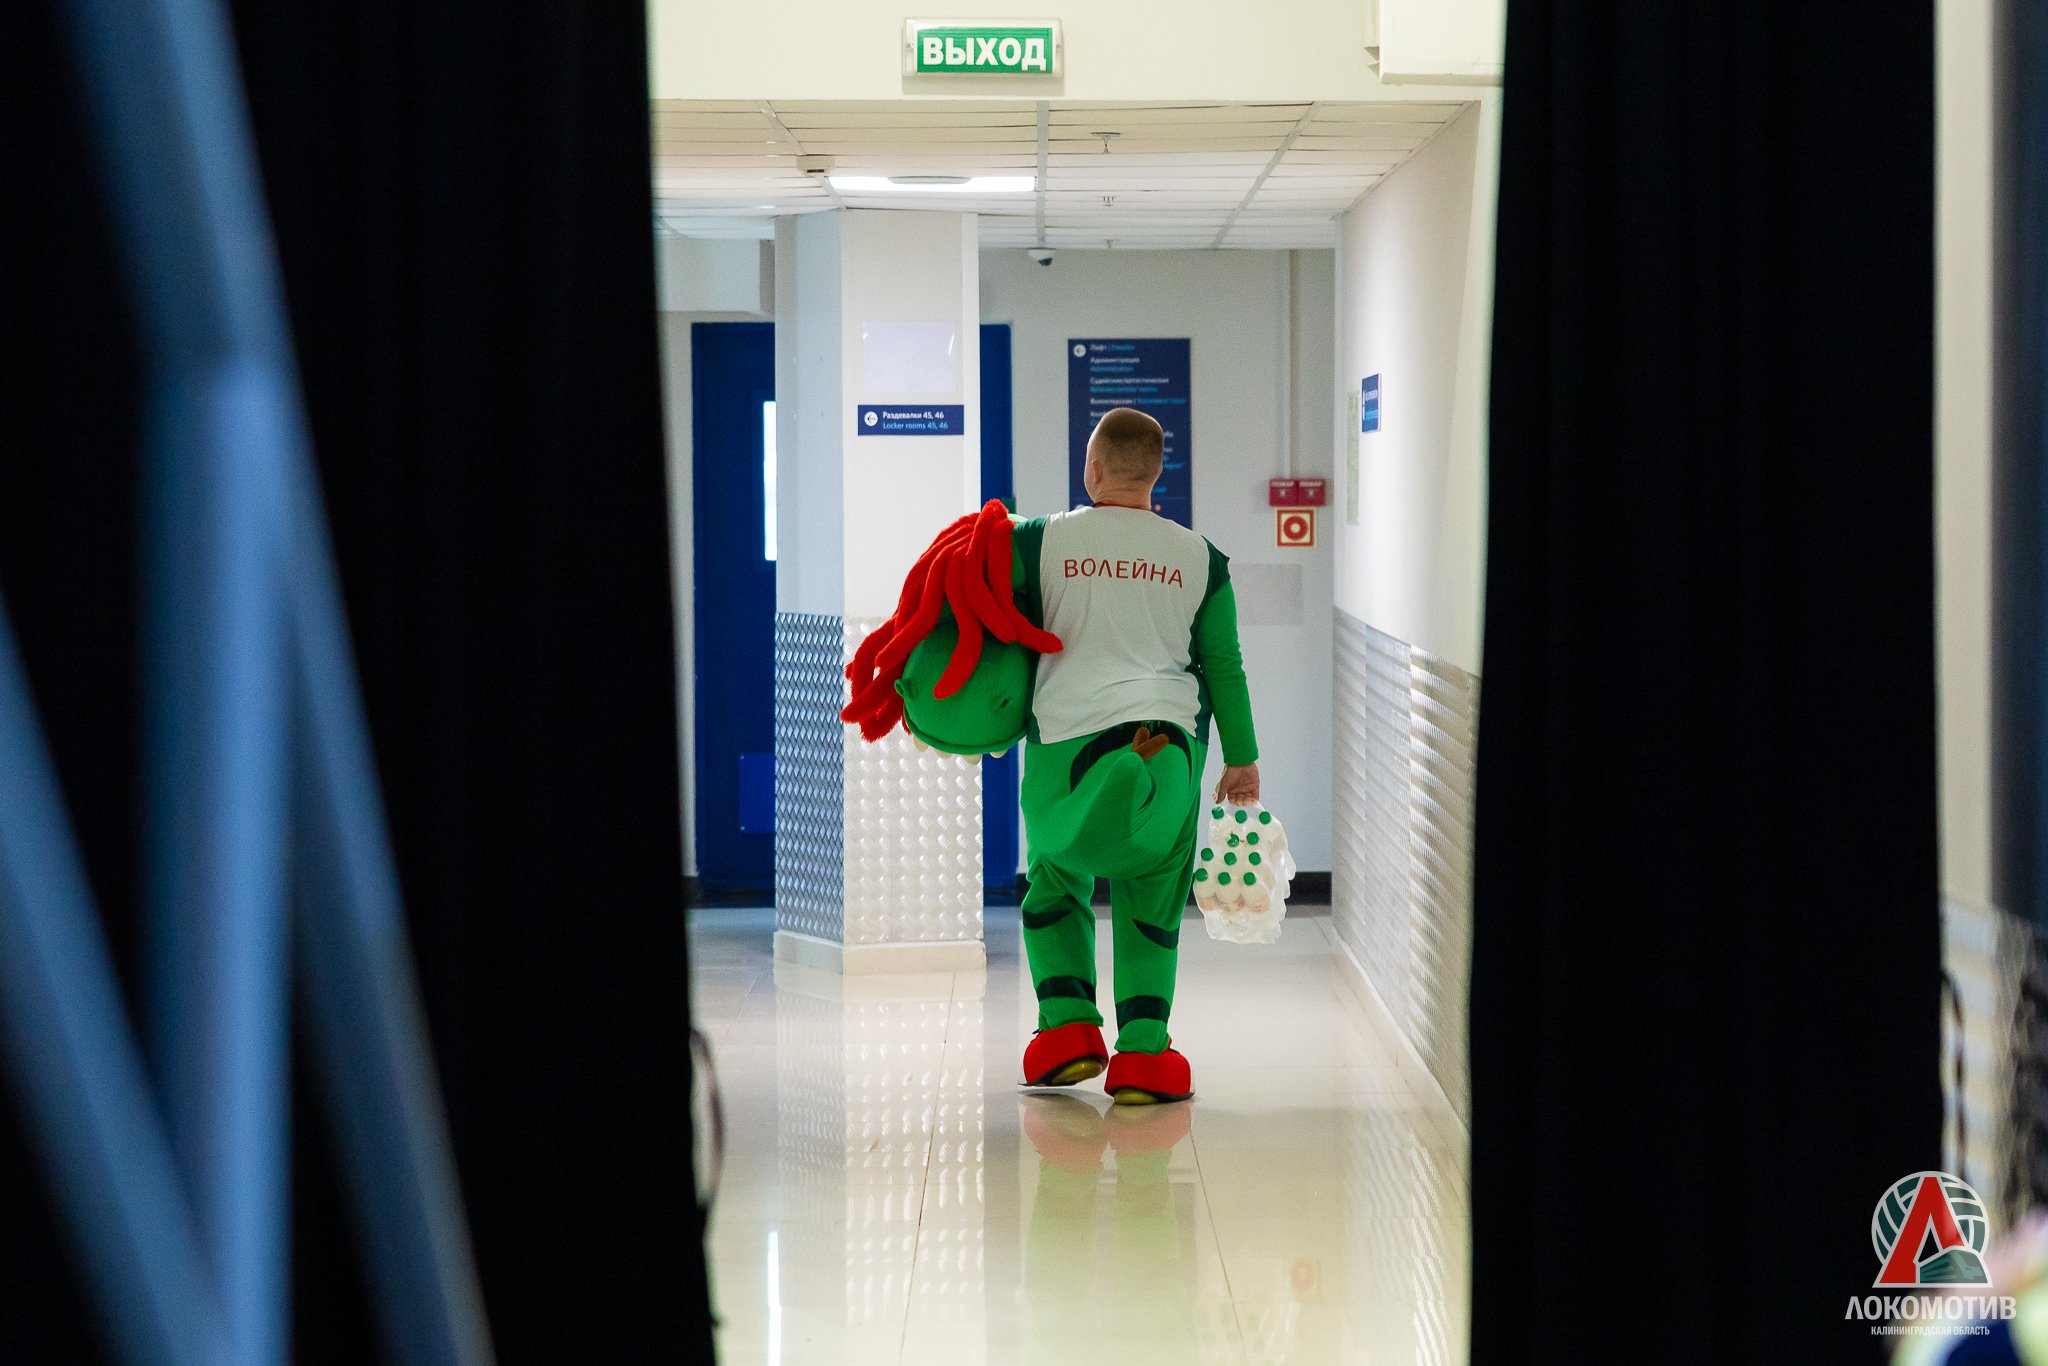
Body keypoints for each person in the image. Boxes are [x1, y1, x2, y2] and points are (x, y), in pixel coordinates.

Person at [1008, 407, 1259, 1104]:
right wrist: (1241, 758)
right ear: (1156, 474)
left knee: (1054, 881)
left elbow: (995, 630)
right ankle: (1145, 1056)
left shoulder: (1040, 541)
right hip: (1168, 747)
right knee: (1154, 895)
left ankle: (1066, 1030)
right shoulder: (1200, 558)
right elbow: (1224, 665)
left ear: (1093, 469)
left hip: (1066, 747)